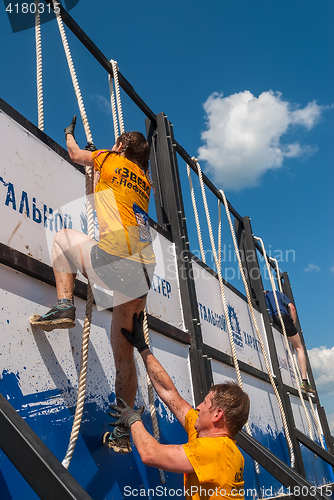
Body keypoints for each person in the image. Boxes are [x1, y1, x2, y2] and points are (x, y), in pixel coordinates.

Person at [30, 116, 156, 452]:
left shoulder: (109, 158)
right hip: (143, 277)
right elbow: (103, 196)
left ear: (119, 147)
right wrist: (97, 174)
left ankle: (63, 305)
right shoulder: (145, 182)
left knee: (63, 239)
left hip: (116, 263)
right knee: (123, 354)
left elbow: (74, 153)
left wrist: (70, 133)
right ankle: (121, 432)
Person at [105, 312, 250, 500]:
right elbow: (170, 393)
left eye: (204, 403)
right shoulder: (204, 434)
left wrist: (133, 419)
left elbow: (151, 454)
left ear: (217, 415)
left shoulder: (216, 450)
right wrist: (143, 348)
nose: (197, 407)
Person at [264, 290, 314, 394]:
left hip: (270, 319)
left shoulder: (264, 297)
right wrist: (293, 324)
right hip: (283, 316)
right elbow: (292, 308)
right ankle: (304, 381)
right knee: (299, 348)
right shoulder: (278, 293)